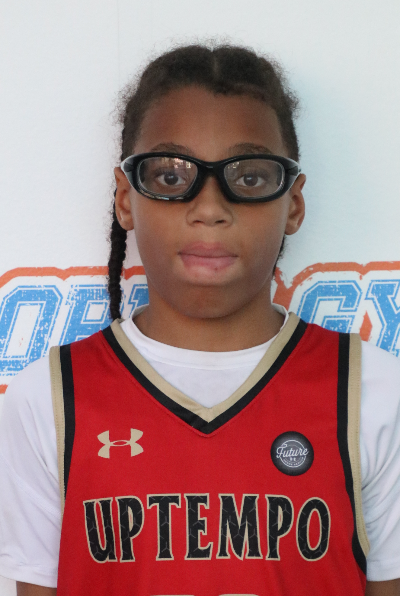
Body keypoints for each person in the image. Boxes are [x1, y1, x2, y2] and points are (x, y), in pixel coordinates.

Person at [0, 44, 399, 596]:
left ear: (294, 204)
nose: (210, 208)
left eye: (250, 177)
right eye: (170, 176)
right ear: (125, 198)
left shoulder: (371, 391)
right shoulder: (49, 398)